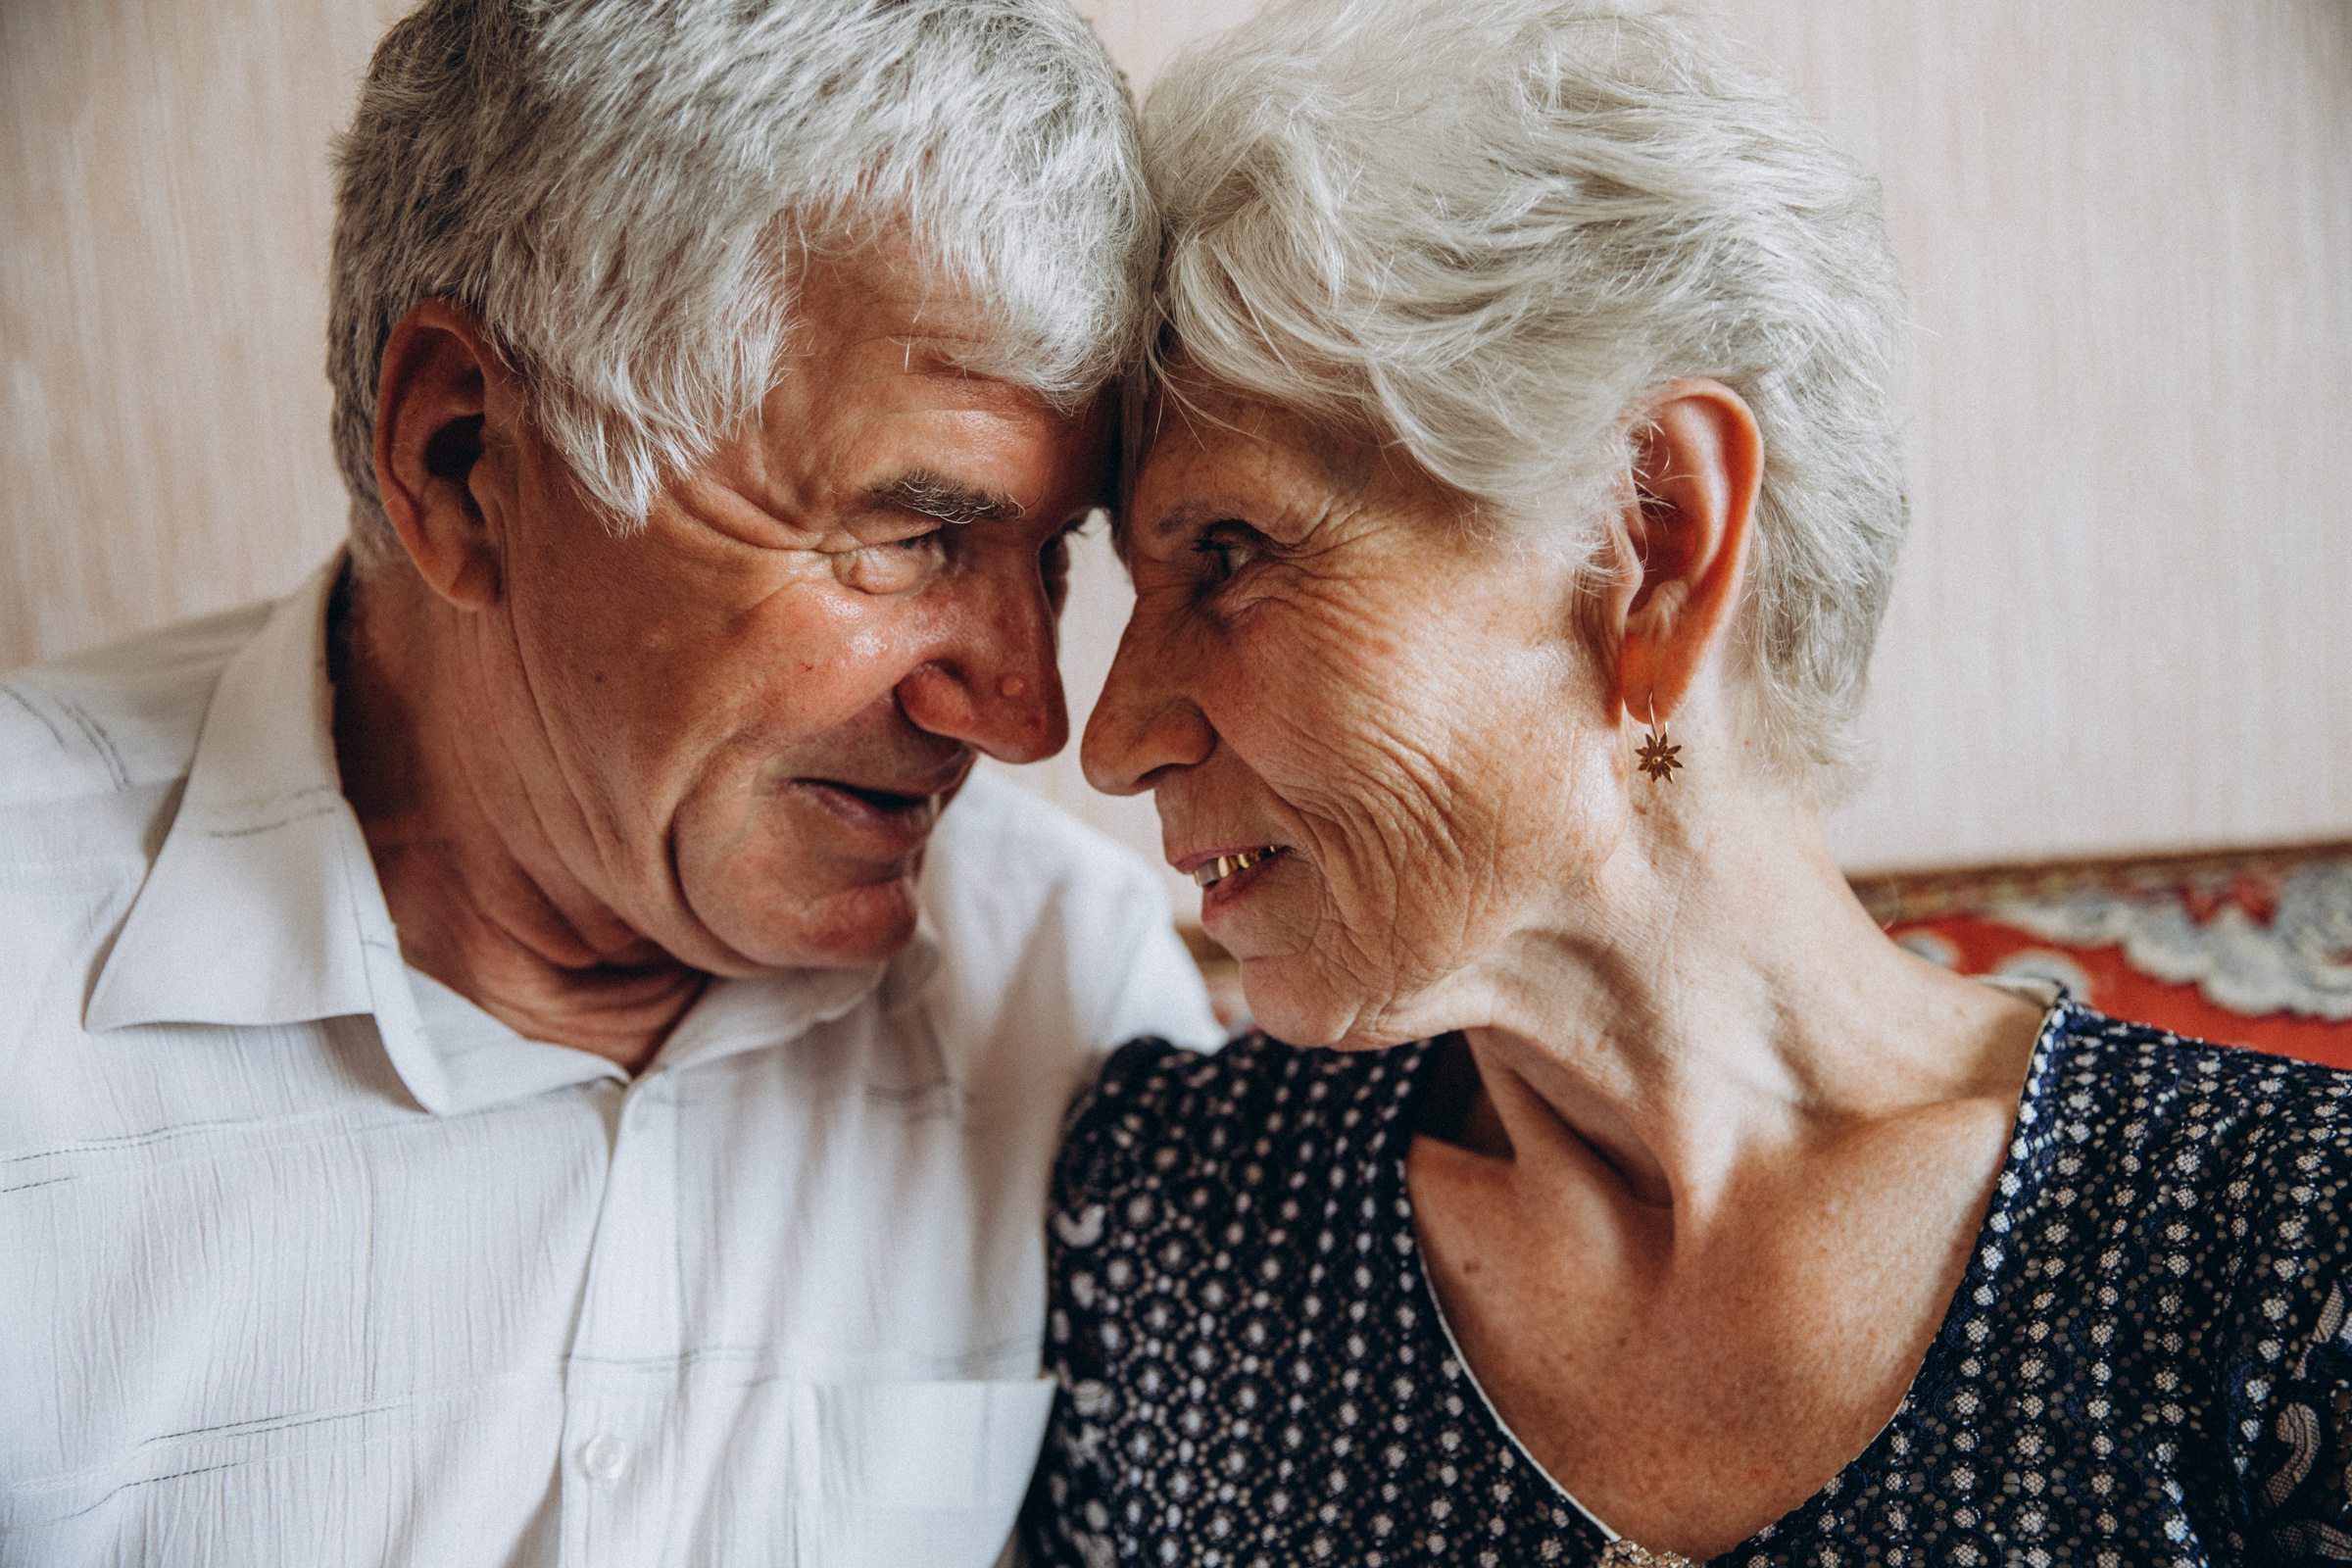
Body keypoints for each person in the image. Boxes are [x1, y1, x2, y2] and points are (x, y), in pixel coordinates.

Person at [1023, 0, 2352, 1561]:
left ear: (1649, 543)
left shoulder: (2285, 1252)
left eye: (1229, 555)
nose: (1106, 739)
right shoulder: (1171, 1217)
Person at [0, 1, 1220, 1563]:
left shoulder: (1076, 1013)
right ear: (460, 460)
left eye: (1048, 558)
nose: (1027, 713)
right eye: (912, 537)